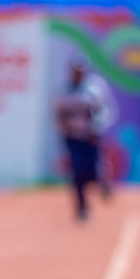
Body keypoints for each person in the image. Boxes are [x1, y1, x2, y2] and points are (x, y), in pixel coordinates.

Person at [53, 58, 116, 221]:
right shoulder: (63, 89)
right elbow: (57, 113)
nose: (78, 74)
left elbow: (106, 110)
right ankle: (81, 207)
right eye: (75, 71)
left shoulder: (94, 88)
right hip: (73, 137)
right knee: (77, 171)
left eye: (80, 71)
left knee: (93, 168)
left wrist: (98, 127)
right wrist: (63, 129)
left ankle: (103, 183)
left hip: (91, 136)